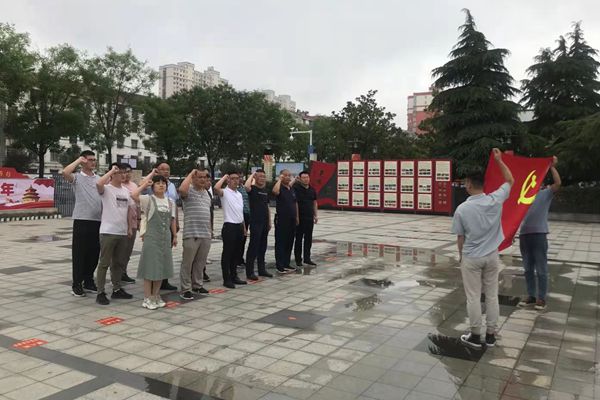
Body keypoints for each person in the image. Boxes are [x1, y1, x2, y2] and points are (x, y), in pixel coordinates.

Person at [451, 148, 514, 349]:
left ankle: (476, 335)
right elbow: (510, 180)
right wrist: (499, 160)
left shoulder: (462, 209)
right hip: (492, 255)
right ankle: (491, 334)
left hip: (471, 257)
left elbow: (460, 237)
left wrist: (461, 256)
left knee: (473, 297)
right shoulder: (495, 199)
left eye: (465, 182)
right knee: (492, 295)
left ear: (469, 184)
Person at [518, 156, 561, 311]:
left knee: (541, 269)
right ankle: (531, 296)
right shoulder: (522, 196)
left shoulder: (545, 194)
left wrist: (551, 166)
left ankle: (541, 298)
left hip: (539, 235)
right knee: (527, 268)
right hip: (524, 235)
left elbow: (558, 184)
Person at [132, 174, 177, 309]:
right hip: (152, 237)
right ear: (153, 186)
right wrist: (144, 185)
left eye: (164, 183)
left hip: (165, 237)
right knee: (150, 268)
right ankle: (147, 298)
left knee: (161, 268)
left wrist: (174, 236)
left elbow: (172, 220)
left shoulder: (170, 202)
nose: (161, 185)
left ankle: (156, 295)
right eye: (158, 183)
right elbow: (133, 195)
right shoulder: (148, 199)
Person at [62, 151, 102, 297]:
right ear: (84, 161)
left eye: (94, 160)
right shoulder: (77, 177)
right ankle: (77, 284)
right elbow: (65, 172)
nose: (93, 162)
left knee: (94, 253)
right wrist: (79, 160)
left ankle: (89, 280)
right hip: (82, 220)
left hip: (98, 220)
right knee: (80, 253)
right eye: (90, 160)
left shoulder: (98, 178)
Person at [95, 163, 135, 305]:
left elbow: (129, 210)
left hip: (122, 232)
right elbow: (98, 183)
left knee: (118, 262)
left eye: (125, 172)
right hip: (108, 231)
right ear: (112, 174)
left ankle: (117, 289)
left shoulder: (126, 191)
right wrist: (112, 170)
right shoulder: (106, 189)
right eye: (120, 172)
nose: (123, 175)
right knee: (104, 263)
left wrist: (129, 227)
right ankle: (100, 292)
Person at [178, 169, 212, 300]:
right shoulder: (189, 190)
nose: (203, 179)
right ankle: (185, 288)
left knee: (200, 262)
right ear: (193, 179)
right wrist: (191, 173)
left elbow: (208, 213)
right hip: (191, 233)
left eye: (204, 177)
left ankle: (197, 285)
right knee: (187, 263)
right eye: (199, 177)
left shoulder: (207, 193)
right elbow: (181, 189)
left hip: (205, 233)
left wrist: (210, 230)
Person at [214, 171, 247, 288]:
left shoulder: (239, 194)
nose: (235, 180)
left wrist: (244, 227)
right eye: (232, 178)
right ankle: (226, 278)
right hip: (229, 226)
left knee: (236, 253)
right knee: (227, 253)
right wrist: (224, 177)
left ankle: (234, 276)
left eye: (237, 178)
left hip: (239, 226)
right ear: (228, 180)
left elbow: (240, 212)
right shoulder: (225, 192)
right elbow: (216, 188)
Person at [152, 162, 179, 291]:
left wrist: (176, 222)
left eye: (168, 169)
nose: (166, 171)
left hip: (169, 222)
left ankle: (164, 281)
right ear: (157, 170)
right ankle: (153, 279)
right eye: (162, 169)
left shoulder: (172, 186)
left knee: (166, 253)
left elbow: (175, 204)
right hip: (156, 223)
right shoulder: (152, 184)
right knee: (156, 254)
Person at [244, 170, 273, 280]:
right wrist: (252, 174)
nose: (262, 178)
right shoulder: (252, 189)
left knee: (263, 247)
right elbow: (246, 186)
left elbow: (267, 206)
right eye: (260, 176)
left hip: (265, 222)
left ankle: (262, 269)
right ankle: (250, 272)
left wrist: (269, 221)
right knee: (253, 246)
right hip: (255, 222)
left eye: (264, 176)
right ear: (256, 177)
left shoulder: (265, 191)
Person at [272, 169, 298, 274]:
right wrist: (279, 180)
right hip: (282, 219)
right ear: (281, 176)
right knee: (281, 242)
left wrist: (297, 217)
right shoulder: (279, 187)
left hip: (292, 219)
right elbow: (275, 191)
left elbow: (294, 203)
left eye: (289, 175)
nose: (287, 177)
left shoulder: (290, 188)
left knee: (289, 242)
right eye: (285, 175)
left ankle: (286, 263)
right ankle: (280, 265)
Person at [293, 171, 318, 267]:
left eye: (307, 177)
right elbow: (295, 203)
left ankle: (307, 258)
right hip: (300, 218)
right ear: (300, 179)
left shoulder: (312, 189)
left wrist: (315, 215)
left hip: (309, 217)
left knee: (308, 238)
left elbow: (314, 202)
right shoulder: (296, 188)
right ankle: (298, 260)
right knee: (298, 239)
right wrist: (297, 217)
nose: (306, 179)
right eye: (303, 177)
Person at [120, 163, 139, 284]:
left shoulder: (134, 185)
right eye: (124, 172)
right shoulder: (117, 185)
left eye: (128, 171)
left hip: (133, 222)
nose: (126, 174)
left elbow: (138, 204)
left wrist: (139, 220)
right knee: (119, 251)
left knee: (128, 250)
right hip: (121, 222)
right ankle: (116, 273)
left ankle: (123, 272)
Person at [237, 180, 251, 267]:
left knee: (244, 238)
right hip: (240, 215)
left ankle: (240, 258)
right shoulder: (235, 190)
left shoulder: (244, 188)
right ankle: (237, 259)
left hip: (248, 213)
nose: (239, 179)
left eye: (240, 177)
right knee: (240, 238)